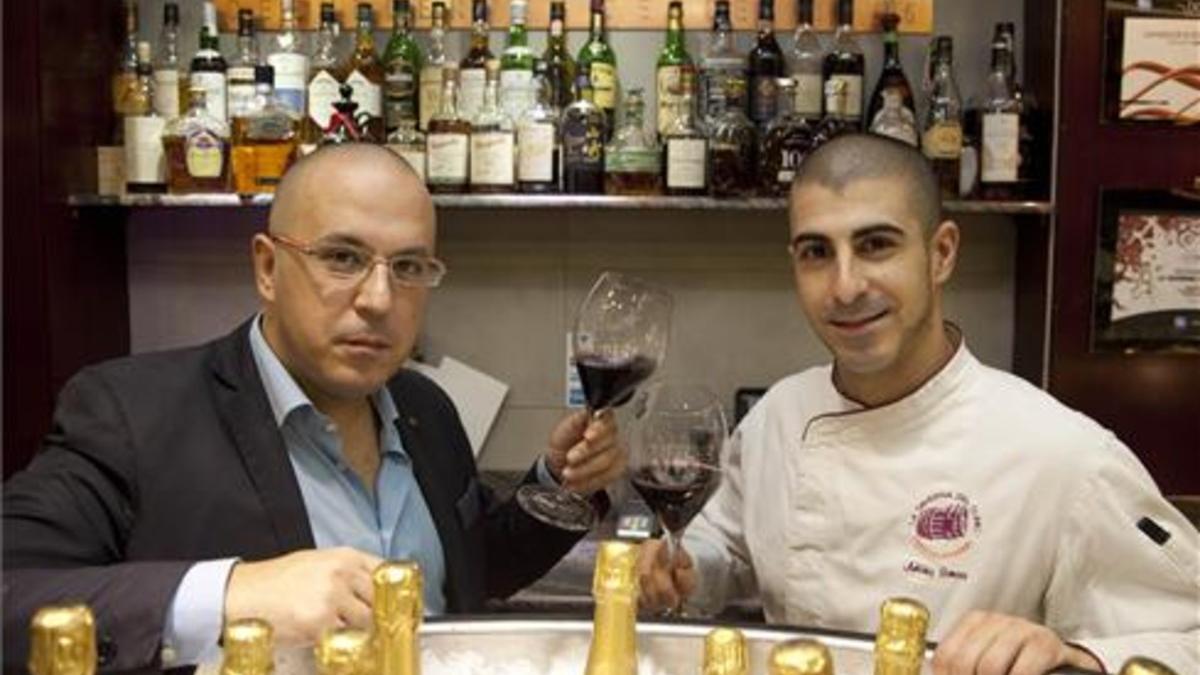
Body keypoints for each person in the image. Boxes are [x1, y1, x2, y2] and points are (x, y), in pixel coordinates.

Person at [3, 144, 626, 671]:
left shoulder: (426, 407)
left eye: (408, 267)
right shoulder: (132, 412)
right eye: (343, 258)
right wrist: (230, 594)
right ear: (269, 268)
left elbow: (466, 571)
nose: (379, 299)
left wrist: (559, 487)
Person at [638, 134, 1198, 675]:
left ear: (941, 253)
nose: (846, 286)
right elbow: (730, 547)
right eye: (817, 253)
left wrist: (1074, 657)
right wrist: (687, 569)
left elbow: (1187, 638)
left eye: (876, 245)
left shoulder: (1064, 456)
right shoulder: (779, 415)